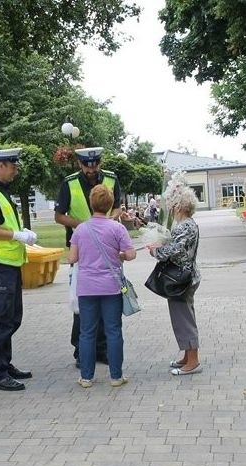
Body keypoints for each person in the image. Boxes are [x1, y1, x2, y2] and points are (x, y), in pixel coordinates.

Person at [55, 146, 126, 369]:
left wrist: (109, 221)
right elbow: (59, 215)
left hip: (106, 248)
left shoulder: (112, 179)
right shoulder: (69, 183)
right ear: (80, 164)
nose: (91, 170)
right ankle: (81, 351)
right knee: (82, 304)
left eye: (95, 166)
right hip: (81, 245)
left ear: (100, 163)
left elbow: (117, 207)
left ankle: (102, 350)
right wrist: (84, 226)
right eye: (87, 166)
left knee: (107, 302)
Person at [0, 148, 38, 392]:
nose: (16, 170)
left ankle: (5, 364)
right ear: (1, 165)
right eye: (13, 166)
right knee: (1, 318)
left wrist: (22, 237)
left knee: (12, 317)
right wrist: (17, 235)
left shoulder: (3, 191)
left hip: (10, 264)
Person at [67, 185, 137, 388]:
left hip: (87, 288)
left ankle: (86, 377)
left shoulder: (81, 229)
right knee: (113, 331)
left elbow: (72, 257)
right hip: (111, 287)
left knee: (87, 332)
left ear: (91, 203)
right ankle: (116, 376)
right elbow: (131, 254)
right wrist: (121, 255)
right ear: (109, 205)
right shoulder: (117, 228)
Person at [145, 179, 202, 376]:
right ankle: (188, 356)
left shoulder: (184, 226)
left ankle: (192, 361)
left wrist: (155, 251)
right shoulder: (189, 224)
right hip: (186, 277)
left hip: (180, 279)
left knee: (183, 319)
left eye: (171, 204)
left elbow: (173, 250)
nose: (169, 208)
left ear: (178, 206)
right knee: (184, 316)